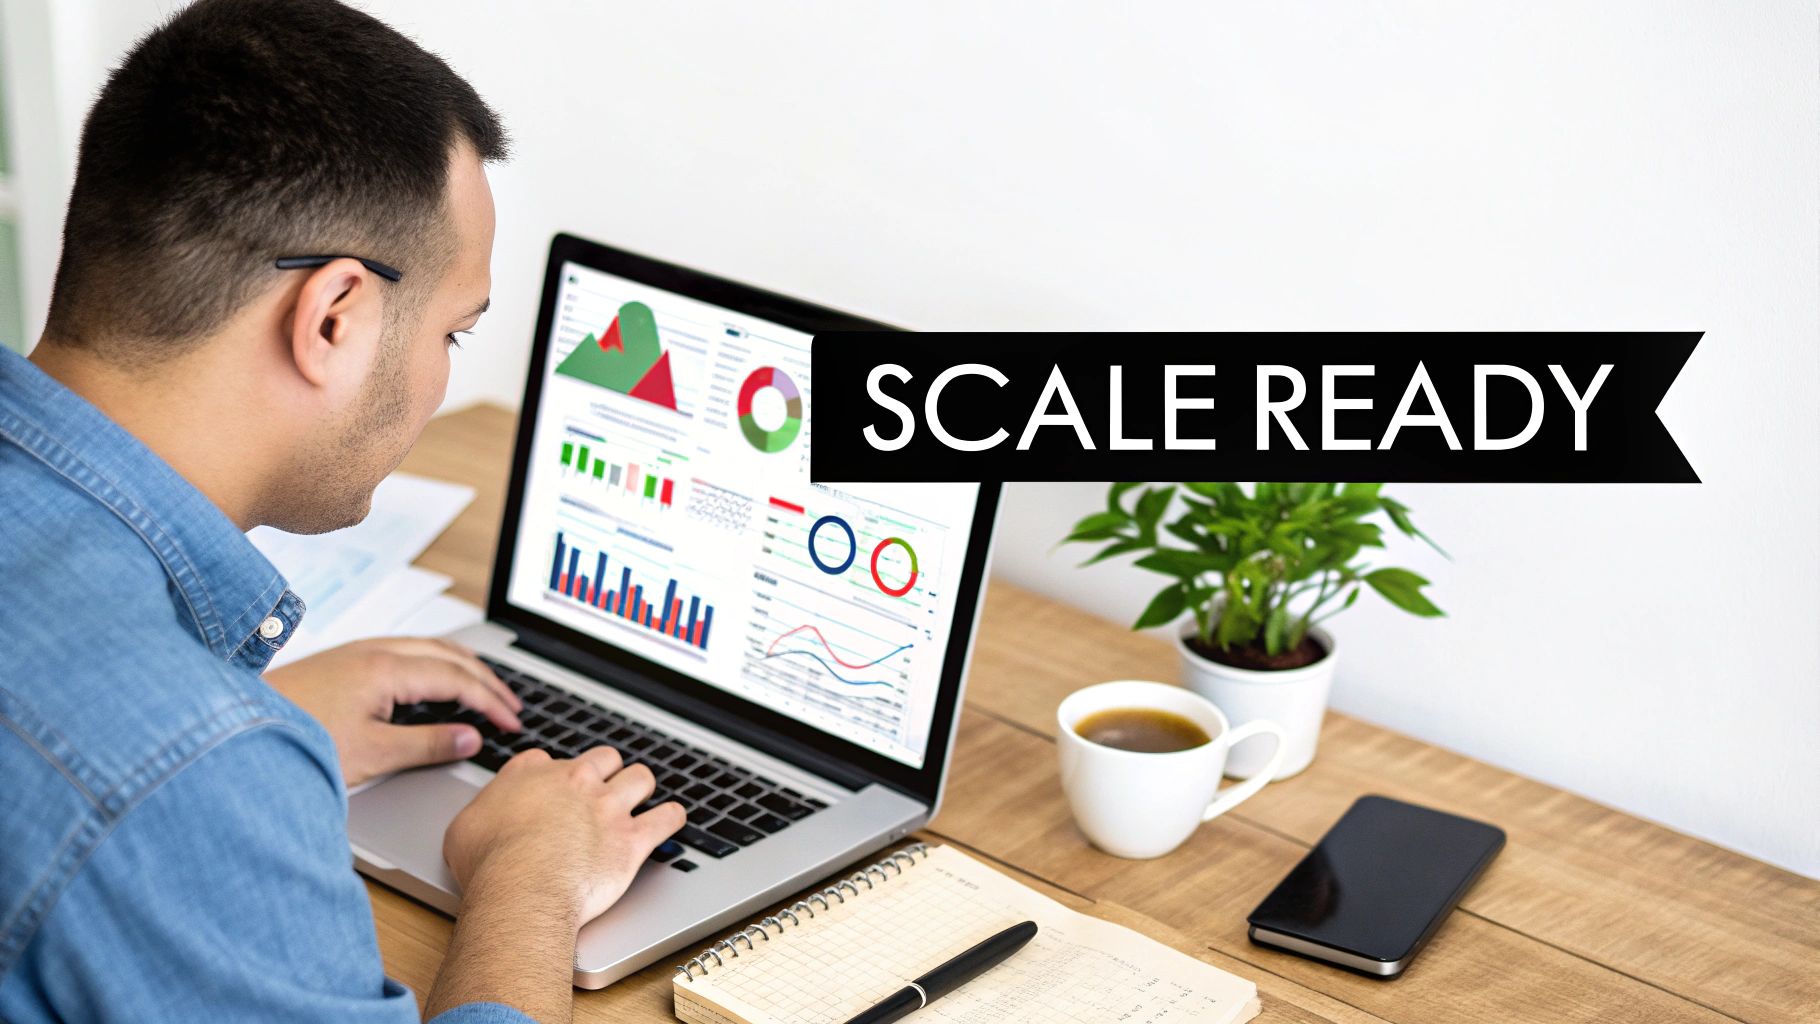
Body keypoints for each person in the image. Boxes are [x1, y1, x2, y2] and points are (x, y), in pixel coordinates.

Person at [0, 1, 685, 1021]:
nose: (442, 376)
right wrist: (528, 884)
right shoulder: (189, 776)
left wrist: (260, 722)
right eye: (453, 332)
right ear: (333, 317)